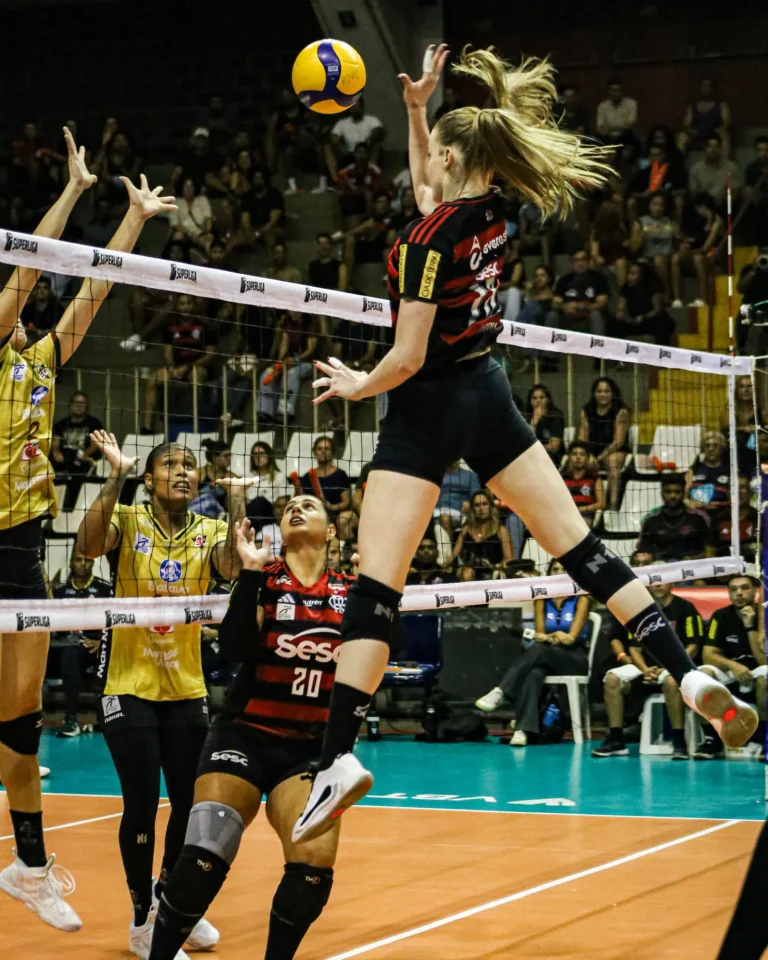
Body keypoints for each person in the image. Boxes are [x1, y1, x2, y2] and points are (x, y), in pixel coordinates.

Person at [295, 44, 757, 841]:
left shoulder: (418, 243)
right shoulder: (496, 209)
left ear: (452, 156)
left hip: (426, 409)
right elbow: (428, 191)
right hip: (490, 396)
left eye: (433, 147)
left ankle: (336, 758)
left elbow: (404, 356)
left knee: (375, 591)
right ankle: (687, 677)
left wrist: (353, 386)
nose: (426, 164)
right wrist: (416, 112)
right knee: (586, 555)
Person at [0, 135, 173, 931]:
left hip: (23, 551)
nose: (24, 306)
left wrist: (132, 218)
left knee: (19, 723)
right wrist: (71, 191)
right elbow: (29, 267)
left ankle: (28, 867)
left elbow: (94, 290)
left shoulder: (39, 362)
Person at [145, 499, 354, 960]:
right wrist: (249, 574)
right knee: (207, 848)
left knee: (315, 864)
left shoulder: (351, 590)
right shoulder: (268, 579)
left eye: (310, 506)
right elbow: (234, 648)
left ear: (332, 532)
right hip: (244, 735)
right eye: (289, 507)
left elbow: (381, 653)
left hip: (307, 751)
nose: (297, 508)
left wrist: (384, 592)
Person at [76, 434, 247, 958]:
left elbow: (234, 567)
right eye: (169, 464)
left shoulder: (211, 528)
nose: (182, 471)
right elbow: (85, 545)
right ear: (148, 479)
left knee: (189, 804)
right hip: (128, 684)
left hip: (186, 685)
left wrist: (236, 495)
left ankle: (172, 904)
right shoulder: (128, 519)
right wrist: (117, 474)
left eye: (189, 466)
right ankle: (142, 921)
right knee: (142, 803)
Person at [474, 558, 591, 745]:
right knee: (534, 673)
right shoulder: (542, 598)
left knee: (539, 650)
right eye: (555, 569)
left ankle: (502, 692)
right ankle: (523, 730)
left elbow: (571, 639)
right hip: (547, 652)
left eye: (563, 569)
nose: (558, 572)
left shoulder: (582, 597)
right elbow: (540, 635)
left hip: (574, 658)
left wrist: (555, 636)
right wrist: (552, 636)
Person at [592, 572, 704, 759]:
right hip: (645, 668)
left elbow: (693, 646)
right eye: (654, 581)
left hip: (675, 666)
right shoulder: (639, 610)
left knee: (670, 682)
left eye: (663, 580)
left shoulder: (686, 608)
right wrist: (644, 669)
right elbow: (634, 648)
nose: (658, 585)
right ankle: (616, 739)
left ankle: (679, 741)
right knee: (612, 679)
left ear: (672, 582)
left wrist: (671, 665)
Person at [50, 549, 111, 737]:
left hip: (101, 646)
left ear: (93, 564)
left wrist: (102, 642)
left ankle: (107, 720)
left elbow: (116, 622)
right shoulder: (59, 592)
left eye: (87, 560)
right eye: (78, 560)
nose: (83, 564)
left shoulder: (105, 590)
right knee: (69, 654)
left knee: (112, 654)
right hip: (71, 648)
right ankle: (71, 720)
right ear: (70, 563)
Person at [577, 377, 630, 510]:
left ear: (612, 393)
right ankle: (578, 501)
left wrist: (599, 458)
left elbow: (618, 442)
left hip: (614, 451)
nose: (602, 394)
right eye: (599, 391)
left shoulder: (621, 411)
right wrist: (588, 456)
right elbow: (582, 438)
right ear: (594, 394)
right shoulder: (586, 410)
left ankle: (612, 504)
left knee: (613, 462)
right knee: (575, 459)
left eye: (606, 391)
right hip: (592, 452)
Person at [637, 476, 711, 561]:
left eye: (677, 492)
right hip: (661, 568)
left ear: (684, 493)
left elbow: (711, 552)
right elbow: (642, 553)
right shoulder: (650, 520)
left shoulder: (699, 518)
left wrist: (692, 559)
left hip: (694, 569)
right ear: (661, 493)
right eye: (668, 492)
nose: (673, 496)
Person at [51, 390, 103, 508]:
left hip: (86, 461)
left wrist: (84, 455)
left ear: (87, 406)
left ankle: (71, 507)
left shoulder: (94, 423)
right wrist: (56, 452)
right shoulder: (61, 424)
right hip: (66, 460)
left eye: (82, 403)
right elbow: (55, 443)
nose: (79, 406)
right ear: (70, 405)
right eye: (76, 402)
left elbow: (96, 444)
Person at [298, 436, 354, 541]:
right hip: (314, 515)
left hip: (336, 514)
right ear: (314, 452)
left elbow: (346, 502)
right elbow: (300, 500)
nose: (323, 452)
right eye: (319, 449)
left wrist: (330, 507)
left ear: (332, 452)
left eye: (327, 449)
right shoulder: (307, 477)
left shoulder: (340, 475)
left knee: (344, 518)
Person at [451, 488, 514, 580]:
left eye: (484, 504)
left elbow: (509, 559)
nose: (481, 508)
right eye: (477, 505)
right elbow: (454, 556)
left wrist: (494, 566)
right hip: (468, 573)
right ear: (472, 509)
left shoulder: (500, 530)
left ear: (491, 507)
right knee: (466, 573)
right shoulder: (466, 529)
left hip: (493, 572)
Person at [630, 191, 679, 303]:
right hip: (649, 257)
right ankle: (664, 293)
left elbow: (678, 240)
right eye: (654, 204)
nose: (657, 207)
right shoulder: (641, 222)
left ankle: (669, 295)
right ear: (649, 206)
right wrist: (638, 239)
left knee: (661, 260)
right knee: (657, 260)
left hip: (667, 255)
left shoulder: (670, 222)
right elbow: (633, 249)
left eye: (660, 205)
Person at [548, 249, 610, 337]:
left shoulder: (598, 278)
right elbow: (555, 303)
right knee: (552, 315)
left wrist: (581, 307)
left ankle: (599, 349)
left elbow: (602, 303)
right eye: (576, 260)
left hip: (589, 316)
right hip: (568, 317)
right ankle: (550, 349)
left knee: (595, 315)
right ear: (572, 263)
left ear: (588, 262)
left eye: (583, 260)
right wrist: (564, 307)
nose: (580, 263)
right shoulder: (564, 280)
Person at [709, 474, 758, 563]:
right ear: (728, 493)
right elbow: (710, 551)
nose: (738, 491)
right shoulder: (718, 518)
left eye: (743, 487)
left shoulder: (759, 518)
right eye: (734, 487)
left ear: (750, 493)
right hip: (724, 571)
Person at [244, 441, 293, 530]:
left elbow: (284, 501)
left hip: (270, 515)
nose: (258, 457)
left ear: (269, 456)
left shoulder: (279, 477)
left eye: (262, 454)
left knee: (260, 501)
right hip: (250, 514)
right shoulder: (247, 477)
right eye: (255, 454)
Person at [684, 430, 730, 517]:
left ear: (722, 448)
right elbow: (684, 498)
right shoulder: (693, 470)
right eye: (707, 445)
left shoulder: (729, 471)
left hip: (722, 515)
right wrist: (689, 503)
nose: (711, 449)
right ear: (703, 448)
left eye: (715, 446)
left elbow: (735, 500)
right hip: (696, 515)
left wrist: (721, 504)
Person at [561, 441, 605, 528]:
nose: (578, 457)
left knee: (580, 527)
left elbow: (601, 504)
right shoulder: (562, 478)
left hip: (585, 513)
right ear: (569, 458)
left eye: (582, 454)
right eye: (574, 454)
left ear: (588, 458)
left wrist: (581, 509)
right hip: (565, 512)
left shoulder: (595, 478)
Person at [190, 439, 238, 519]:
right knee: (207, 497)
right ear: (214, 457)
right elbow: (190, 496)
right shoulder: (199, 473)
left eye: (230, 455)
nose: (229, 458)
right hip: (199, 512)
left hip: (219, 516)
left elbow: (233, 505)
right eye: (226, 456)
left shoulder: (232, 477)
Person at [683, 78, 731, 155]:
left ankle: (723, 162)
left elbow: (727, 121)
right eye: (704, 86)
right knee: (682, 137)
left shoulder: (721, 104)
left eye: (709, 86)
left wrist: (721, 128)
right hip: (698, 133)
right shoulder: (693, 105)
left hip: (714, 133)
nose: (706, 89)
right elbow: (686, 123)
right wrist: (690, 130)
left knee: (724, 135)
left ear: (713, 89)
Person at [433, 460, 480, 536]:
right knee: (444, 518)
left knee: (445, 519)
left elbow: (477, 497)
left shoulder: (470, 476)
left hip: (460, 512)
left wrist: (470, 504)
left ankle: (450, 547)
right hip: (437, 509)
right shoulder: (436, 474)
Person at [524, 384, 564, 465]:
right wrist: (534, 421)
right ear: (530, 401)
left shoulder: (555, 416)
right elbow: (525, 443)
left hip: (551, 458)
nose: (538, 401)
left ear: (548, 400)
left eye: (542, 397)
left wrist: (535, 449)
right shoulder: (525, 417)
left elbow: (554, 448)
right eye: (534, 398)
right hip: (529, 457)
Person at [596, 80, 638, 147]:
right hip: (607, 136)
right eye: (612, 90)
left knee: (629, 135)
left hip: (624, 136)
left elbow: (630, 124)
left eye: (617, 90)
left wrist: (610, 127)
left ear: (622, 91)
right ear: (608, 92)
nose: (615, 93)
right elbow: (600, 126)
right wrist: (620, 126)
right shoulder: (602, 106)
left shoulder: (631, 104)